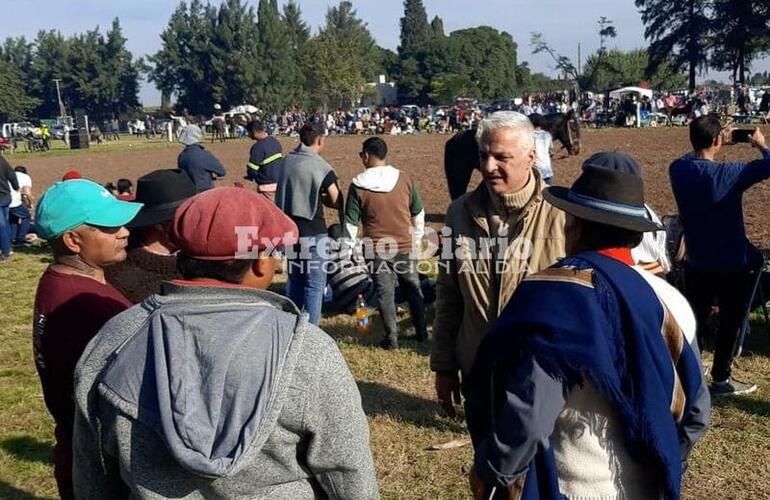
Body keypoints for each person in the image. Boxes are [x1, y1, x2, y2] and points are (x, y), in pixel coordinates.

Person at [72, 187, 379, 499]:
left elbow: (93, 474)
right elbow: (347, 468)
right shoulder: (307, 350)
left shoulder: (114, 340)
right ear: (262, 262)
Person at [466, 160, 710, 500]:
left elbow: (532, 413)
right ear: (634, 234)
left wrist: (491, 470)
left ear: (574, 226)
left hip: (569, 487)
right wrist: (665, 459)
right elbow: (696, 411)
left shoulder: (550, 296)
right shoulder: (671, 300)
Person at [430, 111, 565, 418]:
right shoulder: (458, 214)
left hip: (541, 377)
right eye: (483, 156)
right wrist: (444, 366)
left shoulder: (561, 214)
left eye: (501, 157)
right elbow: (449, 294)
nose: (488, 168)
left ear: (531, 156)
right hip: (477, 370)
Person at [32, 179, 142, 500]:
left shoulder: (58, 279)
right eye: (108, 226)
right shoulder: (90, 306)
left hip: (79, 448)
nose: (124, 232)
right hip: (104, 465)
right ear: (72, 240)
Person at [669, 116, 770, 396]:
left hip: (697, 260)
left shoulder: (678, 169)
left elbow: (691, 156)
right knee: (730, 321)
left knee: (696, 319)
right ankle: (721, 379)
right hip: (730, 261)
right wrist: (761, 145)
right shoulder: (729, 173)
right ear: (718, 141)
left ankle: (692, 369)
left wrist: (711, 138)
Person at [345, 137, 428, 349]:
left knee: (385, 293)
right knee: (413, 288)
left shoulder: (358, 186)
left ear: (366, 155)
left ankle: (391, 337)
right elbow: (418, 213)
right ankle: (421, 332)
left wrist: (350, 251)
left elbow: (351, 225)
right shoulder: (404, 179)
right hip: (404, 245)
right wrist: (416, 239)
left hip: (377, 248)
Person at [275, 122, 344, 325]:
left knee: (296, 280)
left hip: (290, 232)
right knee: (314, 285)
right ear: (320, 140)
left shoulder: (287, 161)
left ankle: (292, 324)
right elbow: (335, 197)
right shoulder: (319, 165)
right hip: (313, 231)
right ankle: (311, 331)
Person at [105, 169, 196, 303]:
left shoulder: (205, 256)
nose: (199, 223)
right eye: (190, 217)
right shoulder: (122, 278)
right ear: (159, 224)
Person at [177, 124, 226, 192]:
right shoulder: (204, 154)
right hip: (205, 191)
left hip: (189, 192)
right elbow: (222, 172)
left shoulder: (181, 156)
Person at [246, 119, 284, 201]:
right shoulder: (275, 141)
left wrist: (250, 176)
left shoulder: (257, 147)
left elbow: (252, 170)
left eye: (249, 132)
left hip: (266, 186)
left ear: (254, 132)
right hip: (279, 183)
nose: (248, 135)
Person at [0, 156, 20, 260]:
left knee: (2, 225)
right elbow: (11, 174)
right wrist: (16, 186)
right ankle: (8, 247)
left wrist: (15, 186)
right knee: (5, 223)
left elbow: (11, 174)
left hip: (3, 196)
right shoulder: (2, 160)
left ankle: (5, 252)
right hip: (6, 196)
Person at [9, 165, 34, 246]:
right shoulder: (25, 177)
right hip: (14, 201)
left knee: (13, 218)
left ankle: (12, 238)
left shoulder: (9, 175)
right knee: (26, 216)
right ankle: (21, 239)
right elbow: (27, 193)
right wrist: (30, 204)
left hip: (4, 200)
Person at [528, 113, 554, 185]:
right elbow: (551, 150)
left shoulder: (528, 135)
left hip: (535, 173)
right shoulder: (547, 135)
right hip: (548, 172)